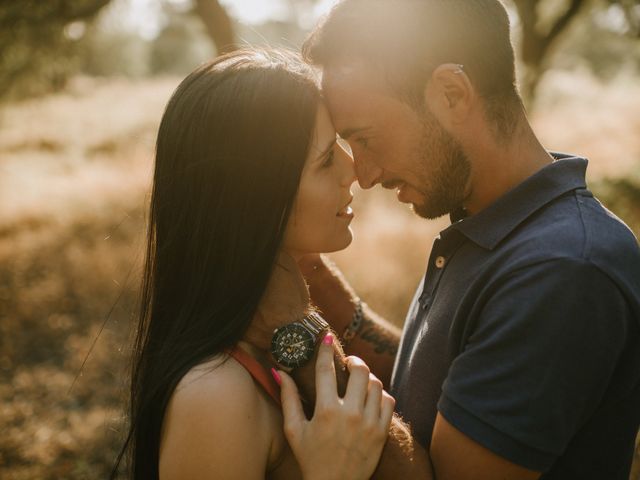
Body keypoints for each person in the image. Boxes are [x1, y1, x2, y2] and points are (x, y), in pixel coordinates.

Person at [290, 0, 640, 478]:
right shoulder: (496, 222)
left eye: (367, 138)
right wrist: (313, 278)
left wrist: (284, 326)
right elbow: (435, 390)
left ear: (452, 93)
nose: (365, 175)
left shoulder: (561, 268)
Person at [111, 48, 397, 480]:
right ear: (256, 199)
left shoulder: (272, 338)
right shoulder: (216, 396)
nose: (352, 169)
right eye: (324, 159)